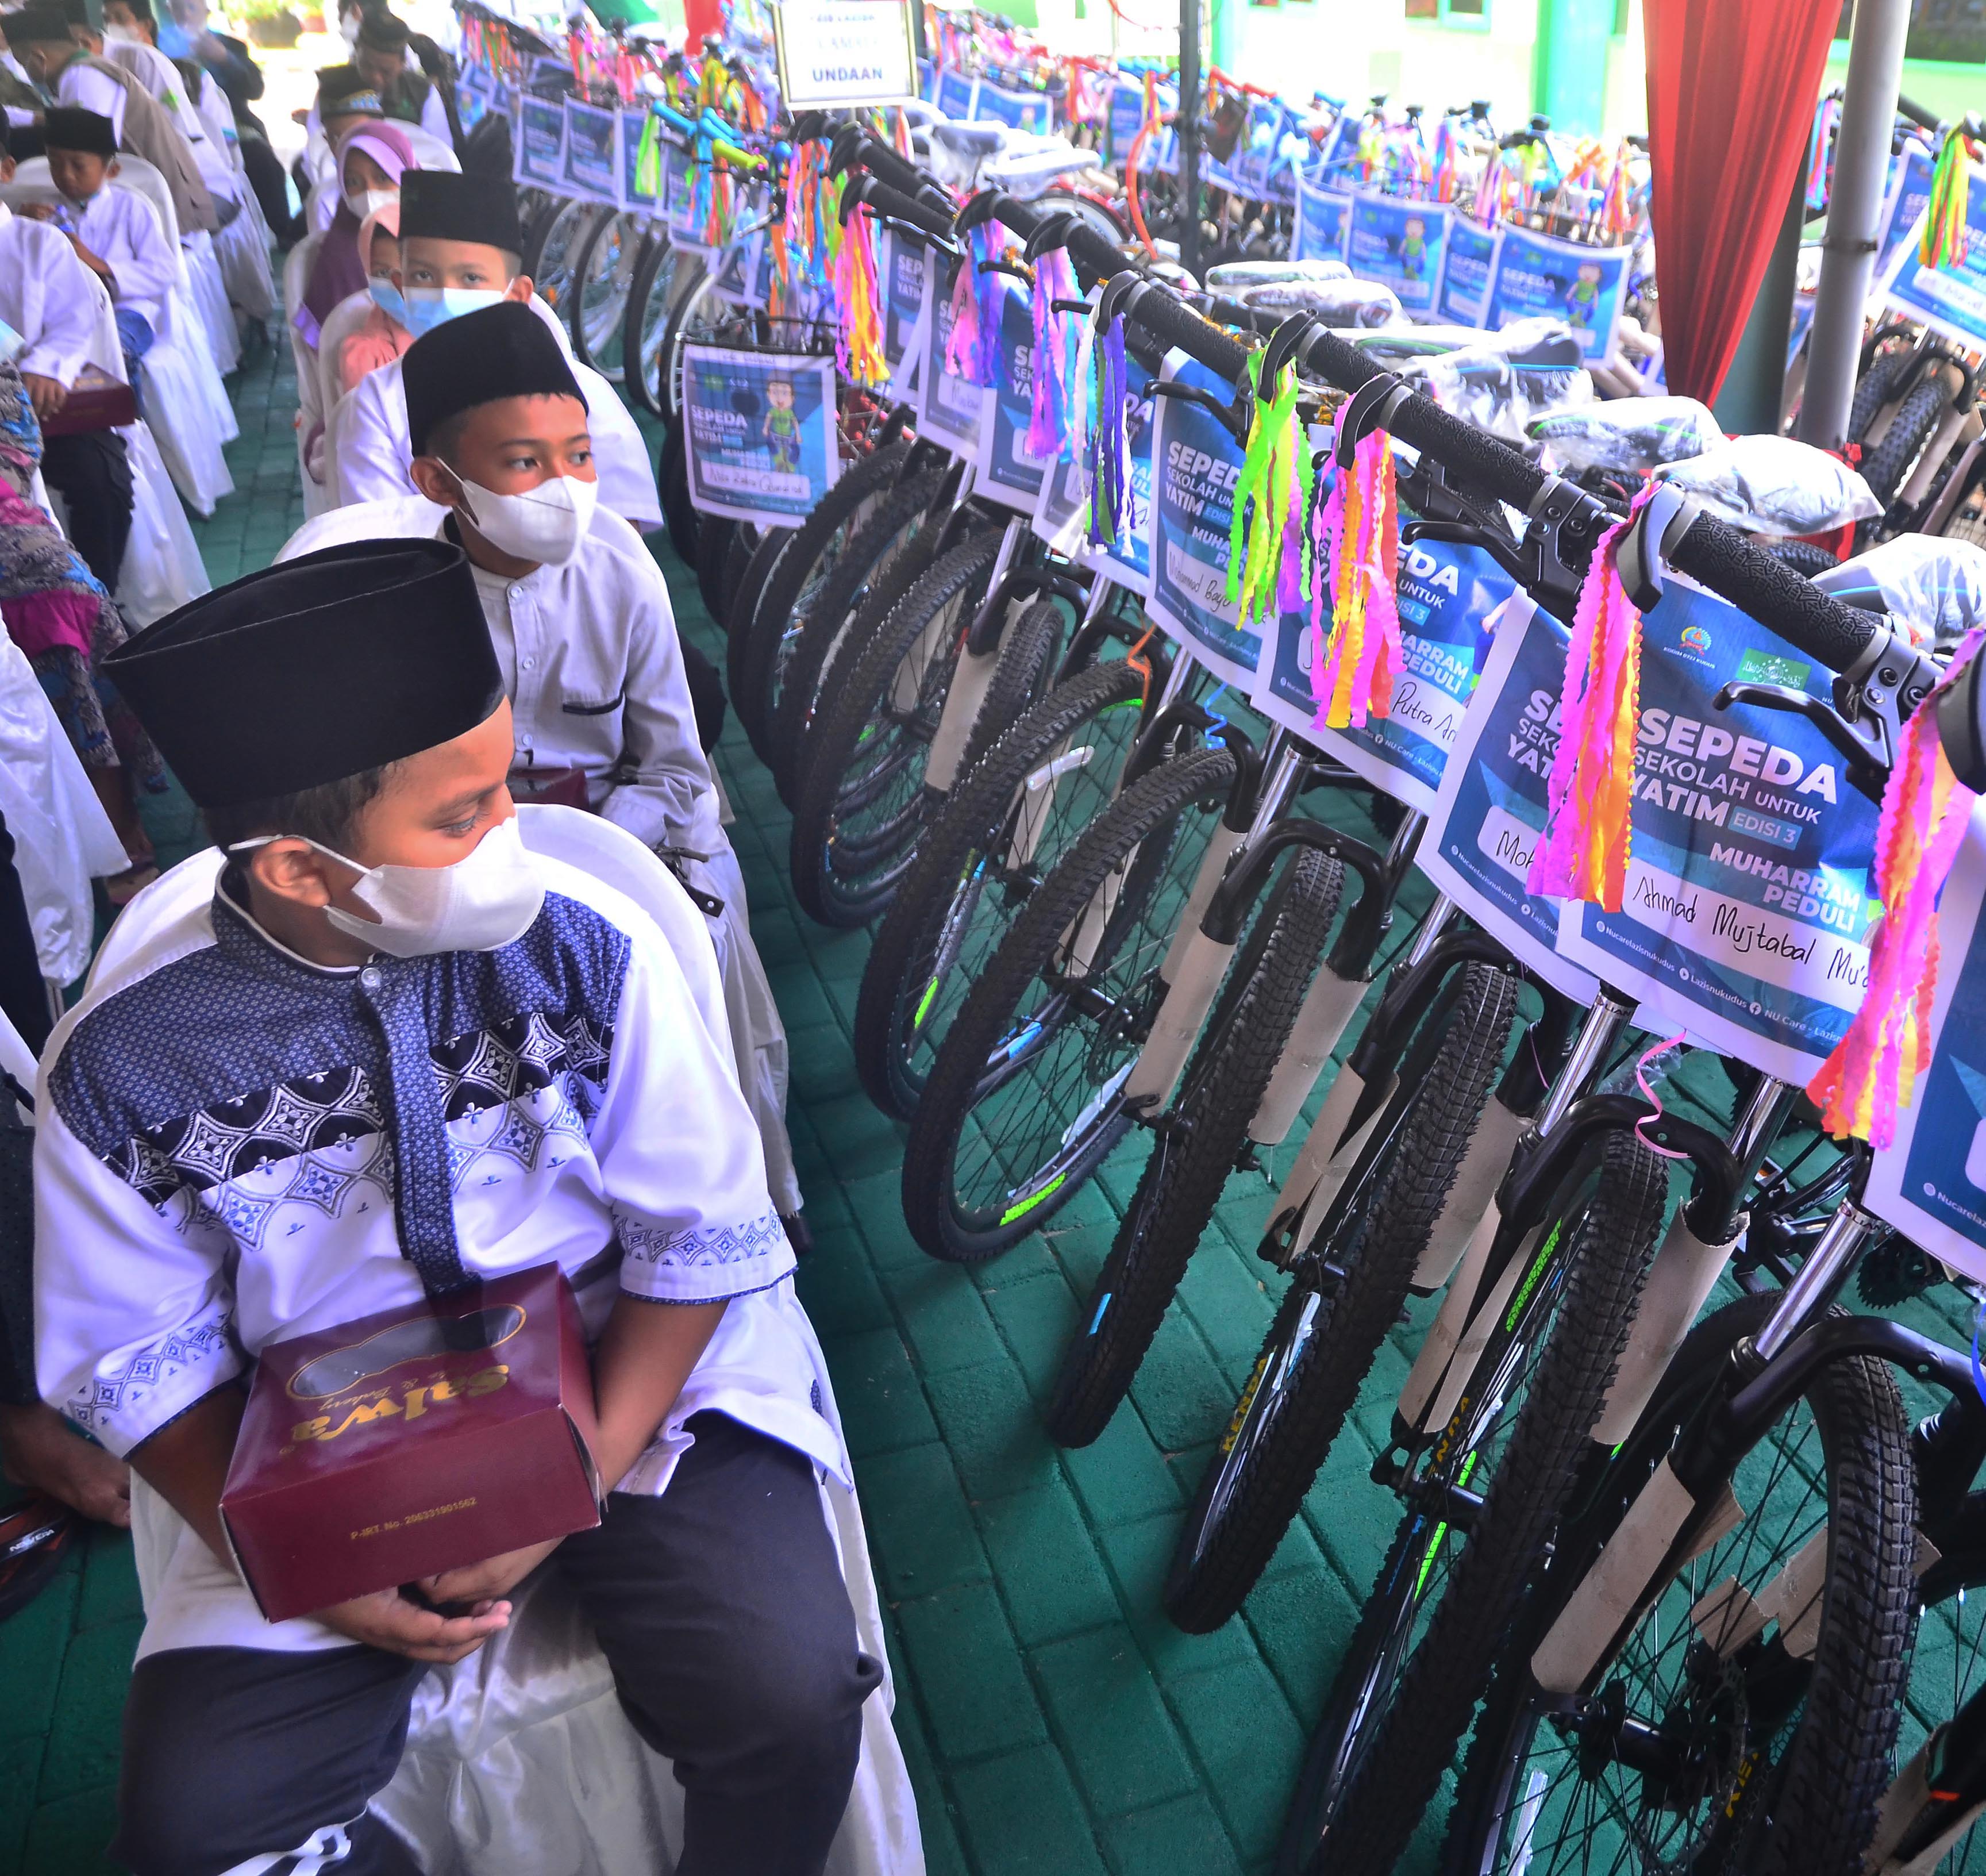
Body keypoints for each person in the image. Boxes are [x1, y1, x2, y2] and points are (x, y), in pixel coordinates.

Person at [37, 540, 881, 1875]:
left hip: (628, 1377)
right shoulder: (126, 1062)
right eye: (463, 817)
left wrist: (579, 1472)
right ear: (303, 871)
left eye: (504, 789)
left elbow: (696, 1236)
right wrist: (317, 1562)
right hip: (318, 1441)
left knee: (788, 1694)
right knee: (197, 1837)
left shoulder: (582, 944)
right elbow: (134, 1355)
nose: (514, 838)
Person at [283, 301, 803, 1223]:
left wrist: (591, 852)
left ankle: (744, 1195)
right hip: (448, 860)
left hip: (621, 834)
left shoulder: (623, 572)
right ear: (437, 481)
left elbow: (679, 775)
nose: (564, 487)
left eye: (579, 454)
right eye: (524, 462)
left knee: (704, 951)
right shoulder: (396, 601)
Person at [332, 170, 662, 530]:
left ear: (516, 296)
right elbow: (384, 536)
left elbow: (622, 528)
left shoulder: (584, 390)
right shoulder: (375, 405)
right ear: (400, 288)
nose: (445, 295)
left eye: (471, 278)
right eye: (424, 277)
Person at [0, 123, 137, 597]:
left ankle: (96, 602)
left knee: (104, 483)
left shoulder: (37, 244)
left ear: (6, 169)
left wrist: (47, 364)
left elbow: (75, 319)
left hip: (39, 409)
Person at [3, 5, 217, 237]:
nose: (24, 70)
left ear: (39, 56)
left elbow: (84, 161)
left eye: (23, 62)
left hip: (165, 221)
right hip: (156, 209)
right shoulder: (81, 73)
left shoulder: (82, 78)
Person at [27, 108, 176, 387]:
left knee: (116, 354)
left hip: (128, 311)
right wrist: (24, 224)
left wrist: (99, 264)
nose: (66, 175)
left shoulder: (131, 207)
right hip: (64, 317)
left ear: (112, 170)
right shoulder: (42, 209)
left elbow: (165, 271)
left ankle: (125, 425)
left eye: (78, 166)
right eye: (55, 164)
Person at [294, 118, 410, 351]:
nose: (369, 192)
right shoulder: (338, 255)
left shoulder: (433, 241)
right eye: (354, 182)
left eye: (382, 177)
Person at [351, 5, 452, 150]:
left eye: (386, 71)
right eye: (367, 66)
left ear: (403, 63)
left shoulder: (423, 94)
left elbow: (440, 151)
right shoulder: (333, 87)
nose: (376, 77)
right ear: (357, 53)